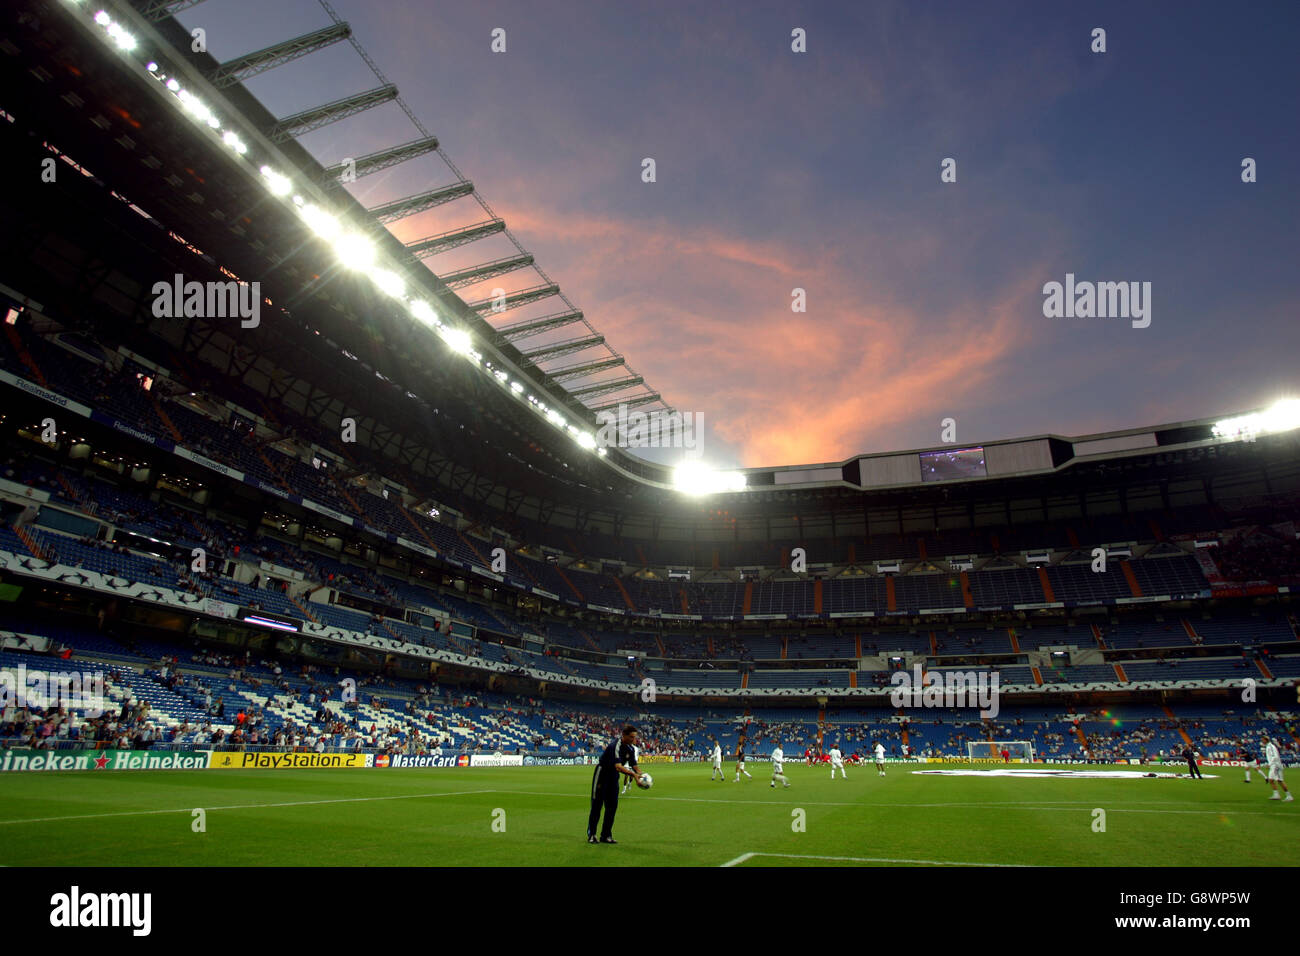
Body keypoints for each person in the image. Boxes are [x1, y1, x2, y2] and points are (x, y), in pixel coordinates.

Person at [588, 726, 640, 844]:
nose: (633, 739)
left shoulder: (630, 749)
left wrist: (641, 774)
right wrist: (634, 775)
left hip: (613, 777)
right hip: (602, 775)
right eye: (631, 737)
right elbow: (618, 766)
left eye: (634, 737)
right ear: (624, 735)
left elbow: (634, 764)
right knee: (597, 806)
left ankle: (606, 835)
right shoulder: (615, 746)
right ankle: (592, 834)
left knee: (612, 807)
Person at [1263, 736, 1293, 802]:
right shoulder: (1269, 746)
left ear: (1266, 740)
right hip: (1274, 765)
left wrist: (1269, 764)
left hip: (1275, 765)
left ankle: (1289, 796)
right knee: (1271, 780)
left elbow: (1275, 756)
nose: (1262, 741)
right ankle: (1276, 795)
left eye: (1263, 740)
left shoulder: (1270, 747)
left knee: (1279, 780)